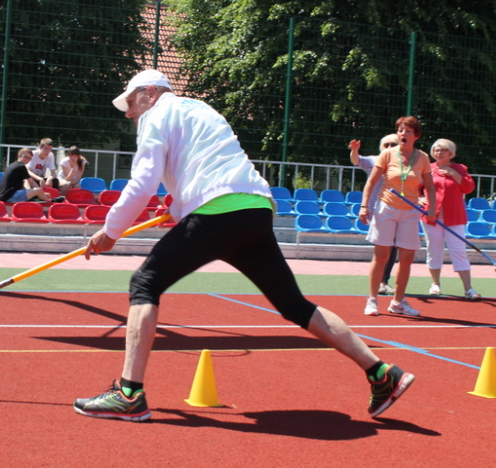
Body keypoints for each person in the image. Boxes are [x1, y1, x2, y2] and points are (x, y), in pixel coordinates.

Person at [72, 69, 415, 422]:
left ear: (149, 92)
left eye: (131, 102)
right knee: (294, 304)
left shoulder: (157, 114)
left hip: (218, 212)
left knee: (144, 283)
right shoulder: (201, 109)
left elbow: (144, 181)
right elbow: (206, 167)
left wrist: (111, 230)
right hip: (254, 209)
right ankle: (381, 373)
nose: (130, 112)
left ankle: (129, 394)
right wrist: (178, 205)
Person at [359, 116, 436, 317]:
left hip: (410, 212)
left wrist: (432, 209)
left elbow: (429, 187)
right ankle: (372, 300)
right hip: (386, 208)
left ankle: (398, 302)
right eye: (400, 130)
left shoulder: (423, 158)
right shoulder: (387, 154)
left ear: (416, 136)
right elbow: (371, 182)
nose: (403, 134)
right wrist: (364, 206)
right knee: (382, 255)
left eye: (408, 131)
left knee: (407, 257)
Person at [420, 139, 481, 300]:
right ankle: (435, 284)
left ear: (451, 153)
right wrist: (419, 199)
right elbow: (414, 187)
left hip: (455, 217)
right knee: (434, 250)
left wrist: (455, 174)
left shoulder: (460, 168)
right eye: (437, 150)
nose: (439, 153)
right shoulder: (427, 168)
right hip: (432, 217)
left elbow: (469, 188)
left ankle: (468, 289)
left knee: (459, 251)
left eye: (443, 150)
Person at [349, 135, 400, 295]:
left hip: (397, 210)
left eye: (394, 144)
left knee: (393, 247)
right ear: (381, 146)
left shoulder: (403, 165)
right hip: (377, 210)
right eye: (387, 144)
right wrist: (355, 150)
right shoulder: (374, 160)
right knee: (383, 247)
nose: (390, 146)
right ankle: (378, 282)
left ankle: (384, 281)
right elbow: (356, 160)